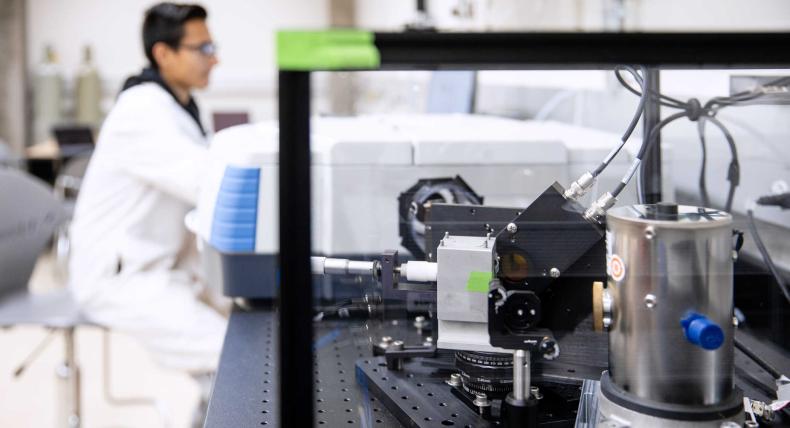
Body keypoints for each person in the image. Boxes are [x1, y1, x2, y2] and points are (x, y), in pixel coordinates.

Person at [67, 2, 225, 419]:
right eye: (204, 48)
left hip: (161, 266)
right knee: (233, 354)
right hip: (121, 277)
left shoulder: (177, 106)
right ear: (163, 53)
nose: (216, 58)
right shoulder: (143, 110)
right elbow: (204, 182)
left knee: (255, 330)